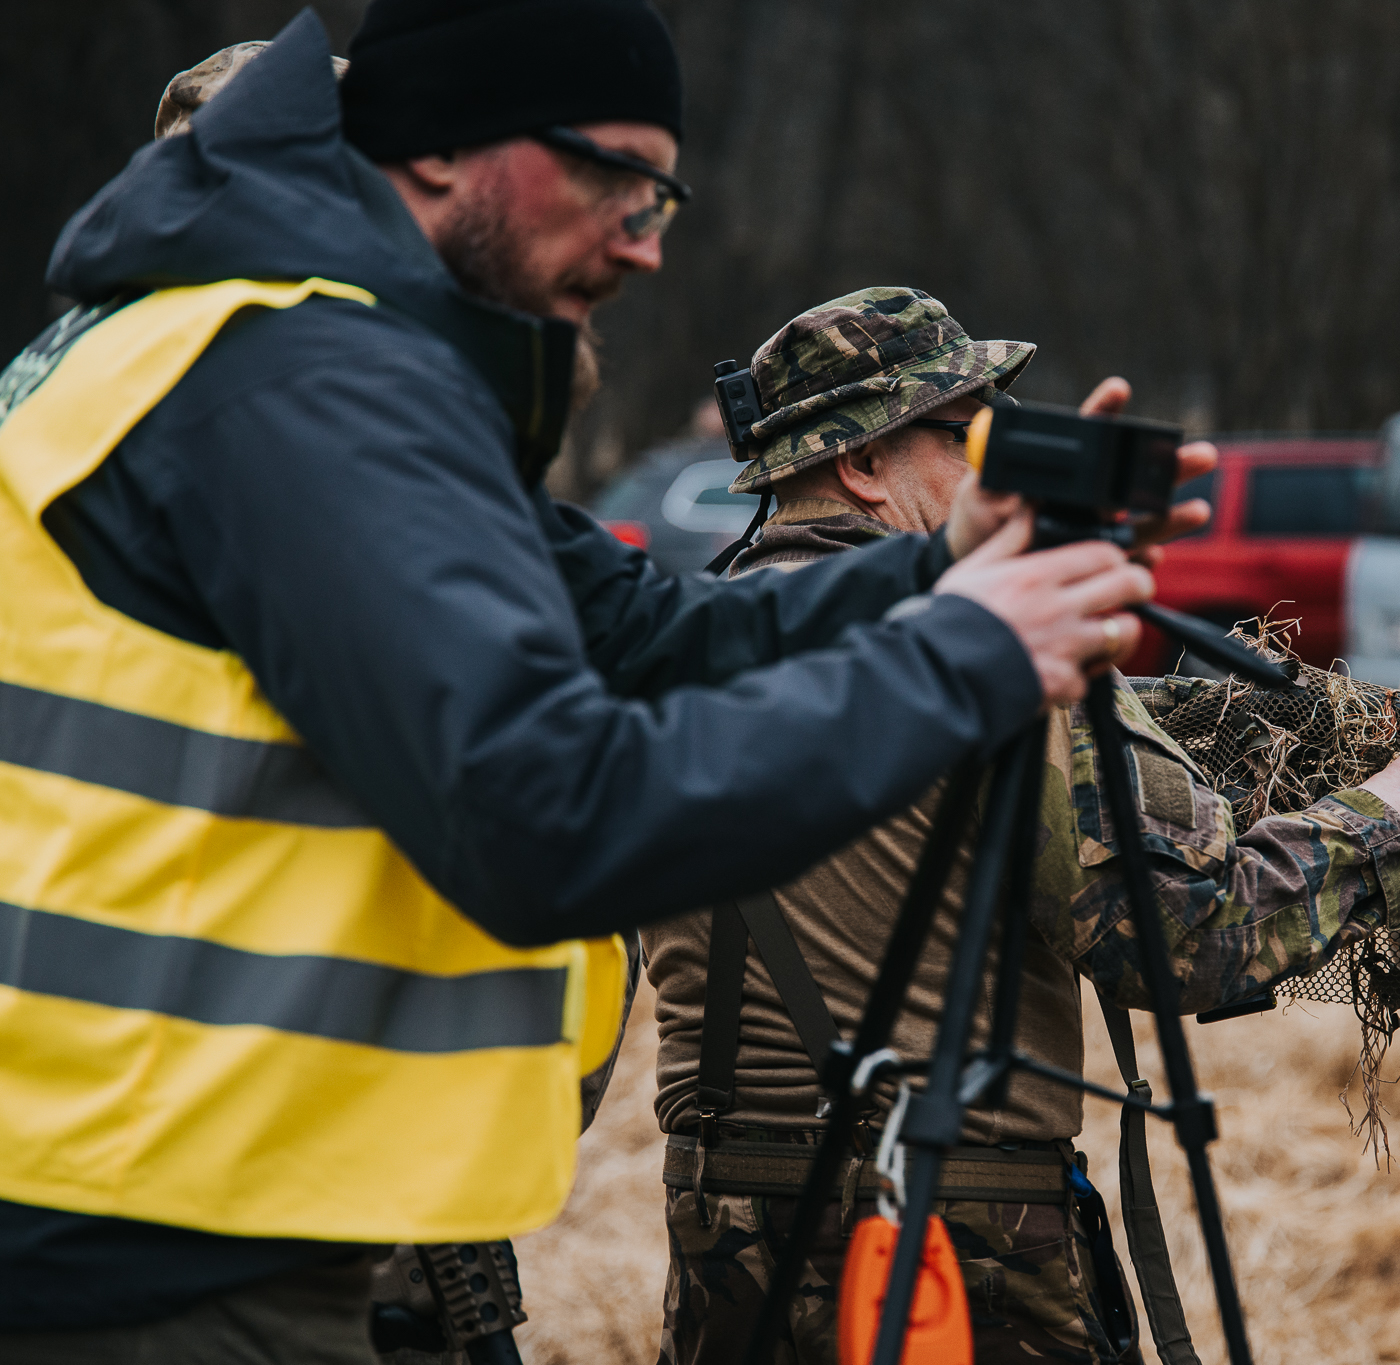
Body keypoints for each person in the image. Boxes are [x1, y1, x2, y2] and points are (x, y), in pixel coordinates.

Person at [0, 6, 1161, 1360]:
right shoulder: (297, 382)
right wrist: (971, 654)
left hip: (178, 1197)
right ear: (440, 150)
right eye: (614, 175)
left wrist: (946, 564)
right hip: (152, 1244)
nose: (649, 238)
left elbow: (644, 627)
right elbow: (544, 812)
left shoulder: (260, 353)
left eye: (661, 191)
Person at [642, 286, 1400, 1365]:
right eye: (971, 439)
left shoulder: (675, 650)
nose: (1001, 473)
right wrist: (1375, 832)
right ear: (861, 466)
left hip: (721, 1243)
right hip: (953, 1245)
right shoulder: (975, 647)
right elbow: (1176, 937)